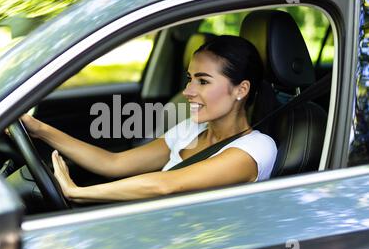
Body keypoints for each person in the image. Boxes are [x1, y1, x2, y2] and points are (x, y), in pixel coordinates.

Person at [21, 35, 277, 203]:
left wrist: (78, 193)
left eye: (203, 81)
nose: (188, 91)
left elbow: (168, 186)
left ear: (240, 90)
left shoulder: (256, 148)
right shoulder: (190, 129)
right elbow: (114, 162)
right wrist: (41, 130)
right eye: (189, 79)